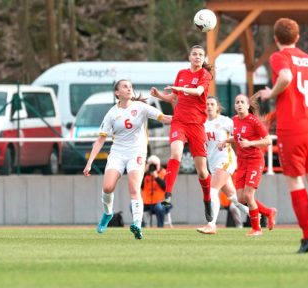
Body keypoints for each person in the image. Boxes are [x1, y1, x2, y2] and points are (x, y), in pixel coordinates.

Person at [258, 18, 308, 253]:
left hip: (292, 127)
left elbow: (285, 77)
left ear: (276, 39)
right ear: (297, 37)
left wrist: (270, 93)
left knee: (295, 180)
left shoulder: (278, 57)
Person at [83, 79, 172, 240]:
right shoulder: (111, 113)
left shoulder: (141, 108)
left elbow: (164, 118)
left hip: (136, 152)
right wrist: (89, 163)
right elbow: (101, 139)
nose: (129, 88)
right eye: (125, 86)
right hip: (117, 153)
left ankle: (137, 224)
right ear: (117, 93)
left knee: (134, 187)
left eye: (130, 86)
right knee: (108, 187)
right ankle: (108, 213)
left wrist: (185, 119)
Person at [150, 45, 214, 223]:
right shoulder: (181, 73)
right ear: (189, 57)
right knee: (176, 153)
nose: (198, 57)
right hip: (179, 121)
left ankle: (207, 199)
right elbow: (174, 97)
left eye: (201, 55)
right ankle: (168, 194)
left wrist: (181, 88)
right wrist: (159, 96)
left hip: (197, 125)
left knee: (202, 171)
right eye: (195, 54)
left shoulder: (204, 75)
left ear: (203, 58)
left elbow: (199, 92)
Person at [218, 94, 276, 237]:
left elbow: (268, 140)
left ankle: (257, 229)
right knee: (241, 199)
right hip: (242, 162)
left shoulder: (254, 121)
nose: (239, 104)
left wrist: (250, 143)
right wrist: (225, 141)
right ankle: (268, 212)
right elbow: (237, 137)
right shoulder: (235, 120)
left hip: (255, 161)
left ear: (248, 106)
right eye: (237, 102)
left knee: (249, 196)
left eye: (242, 102)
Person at [196, 96, 249, 234]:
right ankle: (259, 216)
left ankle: (211, 225)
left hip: (226, 160)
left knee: (213, 190)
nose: (209, 106)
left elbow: (240, 136)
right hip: (213, 164)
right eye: (207, 104)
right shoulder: (202, 124)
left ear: (218, 107)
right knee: (234, 198)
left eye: (212, 104)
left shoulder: (226, 121)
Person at [141, 155, 171, 228]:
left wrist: (156, 177)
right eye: (151, 165)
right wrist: (144, 173)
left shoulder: (164, 172)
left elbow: (166, 187)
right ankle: (141, 226)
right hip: (147, 202)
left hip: (162, 202)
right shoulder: (145, 174)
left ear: (159, 164)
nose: (153, 167)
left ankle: (160, 227)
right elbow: (140, 186)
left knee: (159, 207)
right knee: (133, 206)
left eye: (155, 165)